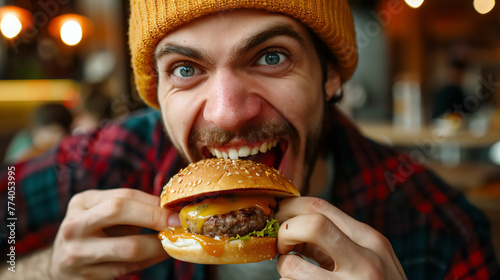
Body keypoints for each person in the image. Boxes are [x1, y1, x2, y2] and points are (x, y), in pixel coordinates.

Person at [1, 1, 499, 279]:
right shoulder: (97, 164)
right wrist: (41, 272)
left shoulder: (441, 230)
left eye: (271, 57)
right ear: (157, 90)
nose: (228, 114)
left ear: (329, 73)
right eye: (186, 68)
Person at [3, 103, 73, 163]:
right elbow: (10, 173)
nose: (47, 138)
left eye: (55, 131)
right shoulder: (24, 145)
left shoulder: (69, 150)